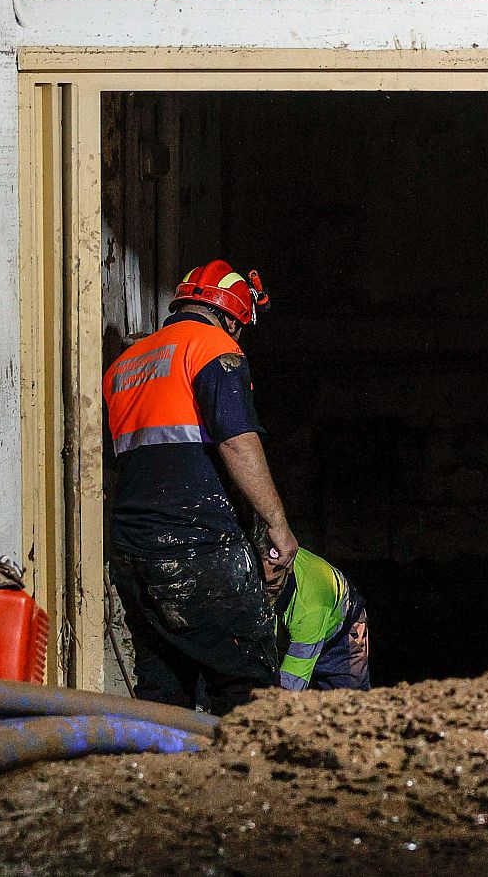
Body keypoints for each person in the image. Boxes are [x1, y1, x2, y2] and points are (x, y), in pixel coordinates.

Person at [102, 259, 300, 714]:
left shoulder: (126, 365)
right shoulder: (213, 346)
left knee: (164, 687)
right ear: (232, 316)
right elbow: (236, 442)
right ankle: (241, 782)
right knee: (247, 685)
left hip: (135, 551)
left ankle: (155, 779)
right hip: (197, 546)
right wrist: (277, 525)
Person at [257, 544, 372, 691]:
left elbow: (291, 686)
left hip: (338, 635)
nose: (263, 592)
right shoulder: (250, 562)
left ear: (288, 570)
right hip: (289, 620)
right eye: (258, 582)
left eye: (272, 583)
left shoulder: (311, 606)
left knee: (350, 700)